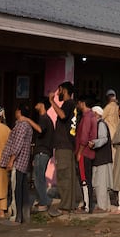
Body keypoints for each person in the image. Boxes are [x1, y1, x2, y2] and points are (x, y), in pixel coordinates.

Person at [0, 102, 37, 224]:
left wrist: (11, 160)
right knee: (21, 188)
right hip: (22, 161)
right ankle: (22, 216)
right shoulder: (26, 126)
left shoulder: (21, 126)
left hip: (18, 162)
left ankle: (17, 217)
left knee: (17, 189)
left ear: (19, 112)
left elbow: (18, 145)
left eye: (16, 110)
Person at [48, 82, 77, 215]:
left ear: (64, 91)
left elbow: (62, 115)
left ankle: (65, 206)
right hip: (68, 145)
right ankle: (70, 204)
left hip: (64, 146)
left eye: (59, 90)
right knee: (69, 176)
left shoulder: (68, 104)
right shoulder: (72, 105)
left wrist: (51, 101)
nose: (57, 93)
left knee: (64, 176)